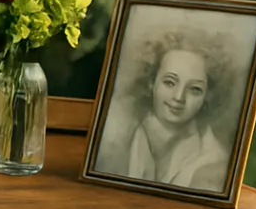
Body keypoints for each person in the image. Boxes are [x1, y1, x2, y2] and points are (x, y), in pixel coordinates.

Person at [95, 30, 233, 192]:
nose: (179, 97)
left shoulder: (214, 161)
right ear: (151, 83)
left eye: (195, 89)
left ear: (207, 96)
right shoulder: (115, 142)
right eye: (169, 83)